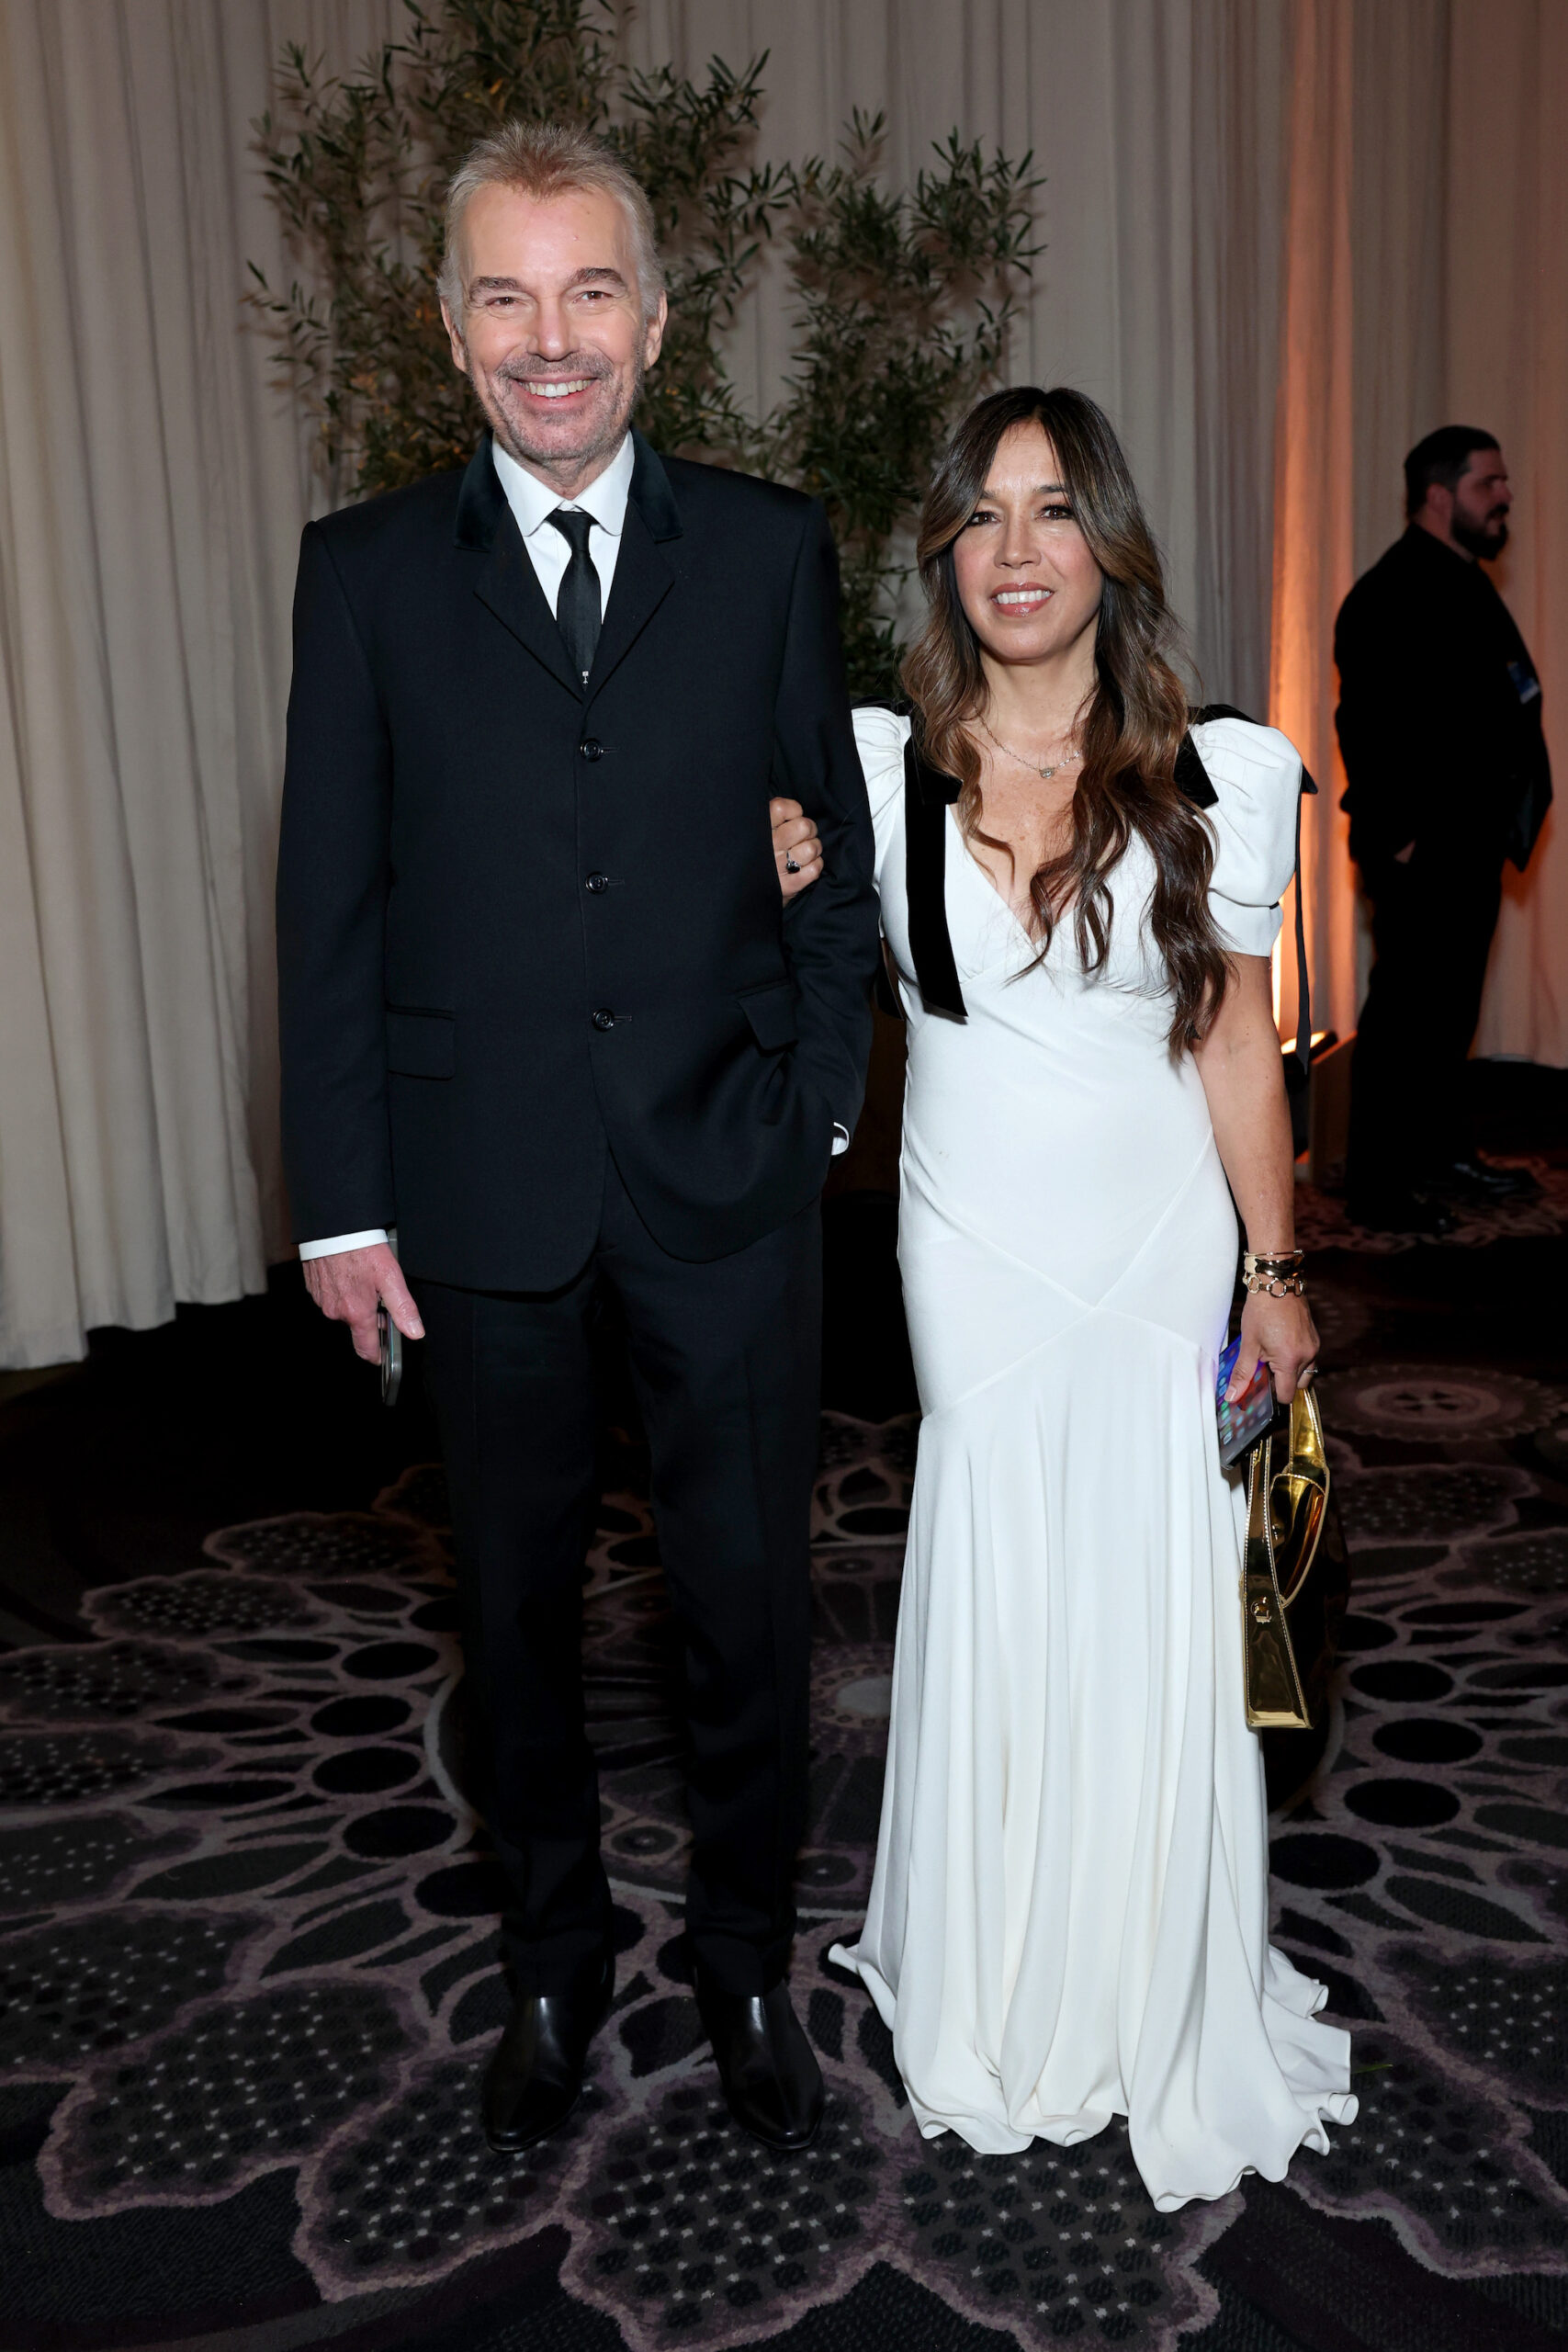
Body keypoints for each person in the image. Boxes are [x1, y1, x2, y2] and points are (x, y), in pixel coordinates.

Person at [276, 119, 881, 2157]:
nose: (554, 340)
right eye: (508, 298)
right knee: (515, 1618)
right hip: (473, 1201)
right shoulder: (360, 574)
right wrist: (341, 1201)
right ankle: (550, 1959)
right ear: (452, 333)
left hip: (723, 1180)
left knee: (743, 1607)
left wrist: (811, 1107)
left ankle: (738, 1960)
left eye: (590, 290)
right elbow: (326, 906)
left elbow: (830, 861)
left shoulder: (771, 543)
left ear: (656, 318)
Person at [823, 386, 1356, 2211]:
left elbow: (1230, 1042)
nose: (1018, 549)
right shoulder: (868, 763)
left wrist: (1273, 1269)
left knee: (1146, 1584)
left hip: (1150, 1246)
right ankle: (995, 1968)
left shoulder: (1218, 768)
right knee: (999, 1561)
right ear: (943, 553)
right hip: (967, 1242)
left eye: (1052, 511)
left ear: (1106, 542)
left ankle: (1145, 1979)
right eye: (981, 515)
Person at [1336, 426, 1551, 1234]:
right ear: (1438, 495)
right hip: (1420, 850)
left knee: (1448, 1011)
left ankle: (1437, 1153)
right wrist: (1399, 837)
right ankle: (1375, 1189)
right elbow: (1365, 724)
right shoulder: (1387, 594)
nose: (1504, 497)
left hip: (1468, 842)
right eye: (1488, 483)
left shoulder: (1465, 580)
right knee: (1403, 1020)